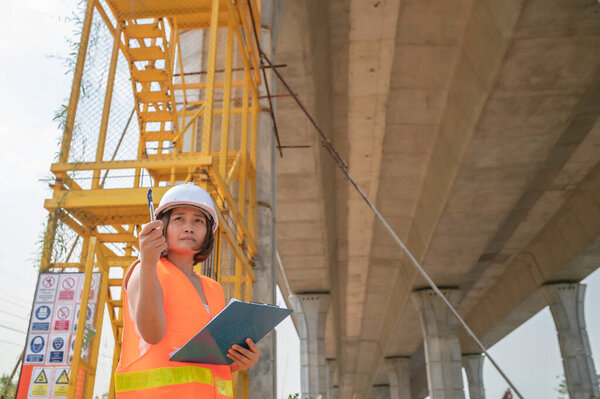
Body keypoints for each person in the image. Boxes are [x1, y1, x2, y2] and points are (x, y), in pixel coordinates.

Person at [114, 183, 261, 398]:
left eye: (198, 221)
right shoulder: (145, 271)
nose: (188, 227)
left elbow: (206, 365)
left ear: (207, 233)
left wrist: (237, 361)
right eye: (179, 219)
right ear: (161, 226)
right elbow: (152, 335)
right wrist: (147, 262)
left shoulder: (214, 290)